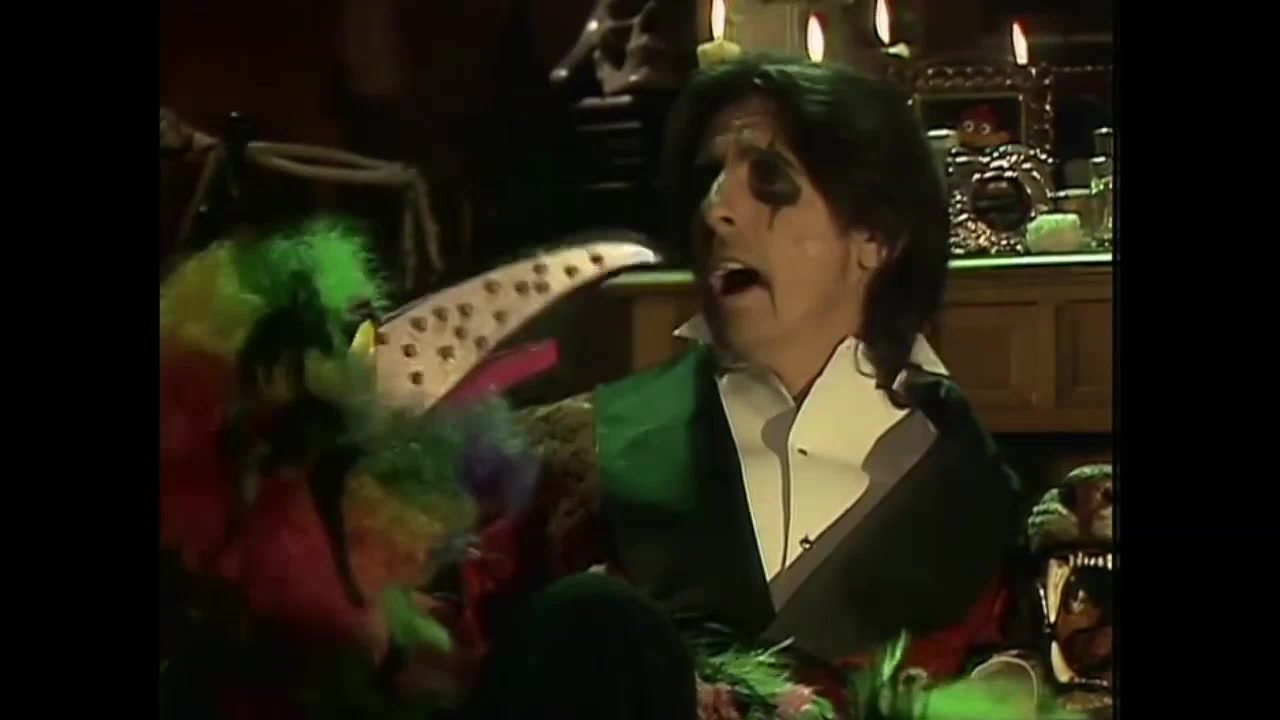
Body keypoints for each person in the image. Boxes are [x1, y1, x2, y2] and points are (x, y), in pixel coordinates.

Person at [453, 55, 1025, 719]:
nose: (716, 210)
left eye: (770, 180)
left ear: (875, 236)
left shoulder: (978, 503)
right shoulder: (577, 459)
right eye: (708, 179)